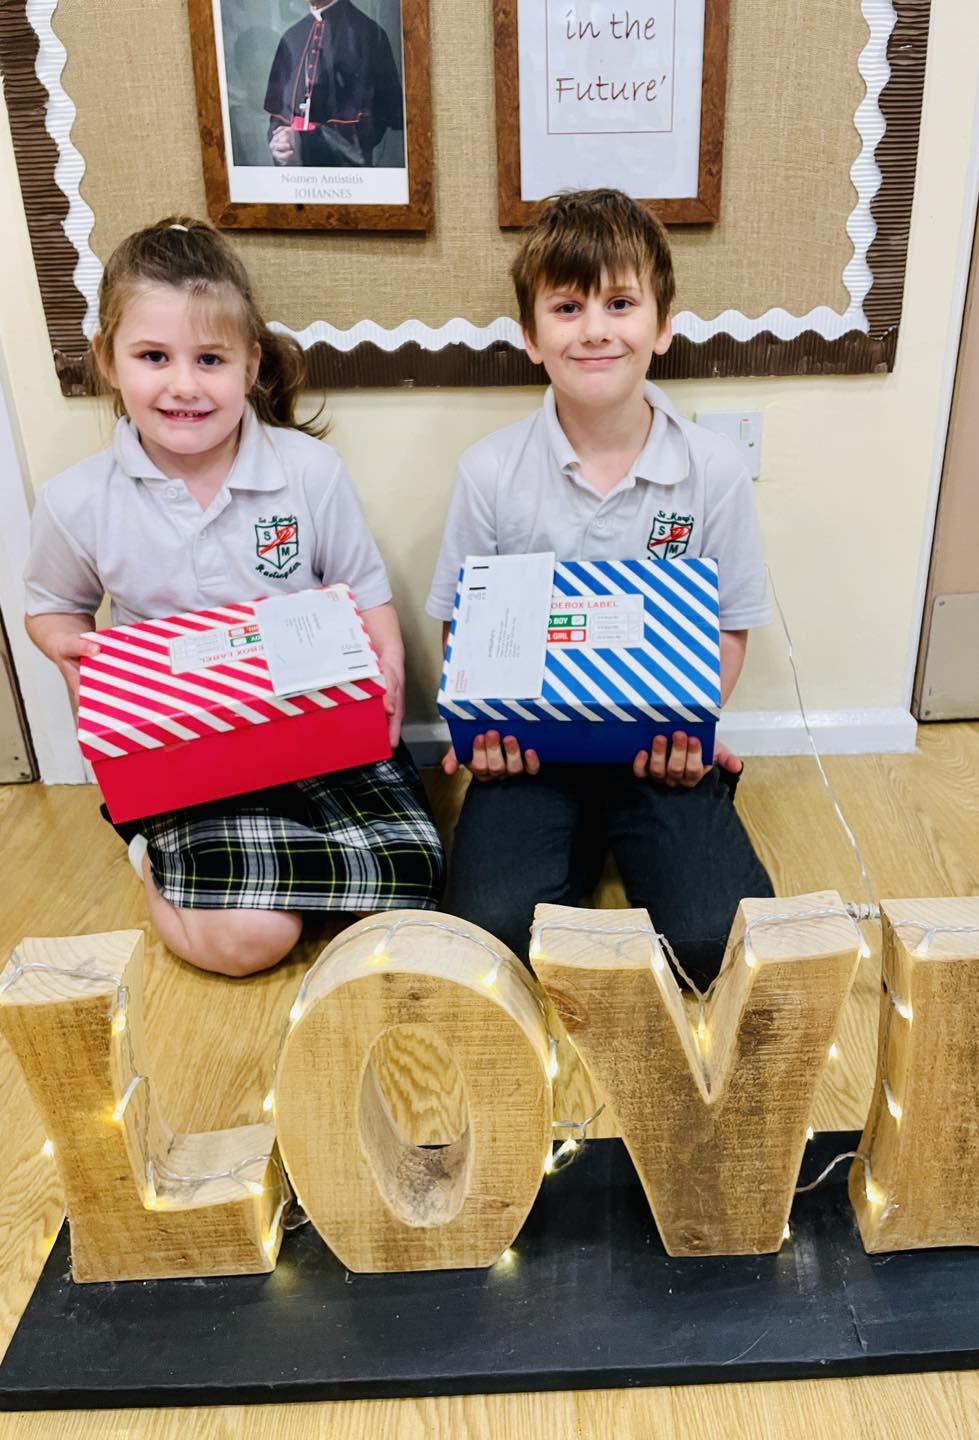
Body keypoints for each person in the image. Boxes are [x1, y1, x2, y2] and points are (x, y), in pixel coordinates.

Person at [25, 217, 443, 978]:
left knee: (411, 889)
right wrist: (68, 651)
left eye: (210, 359)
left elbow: (363, 590)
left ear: (250, 364)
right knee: (252, 940)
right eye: (154, 356)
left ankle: (270, 876)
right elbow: (53, 608)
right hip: (186, 754)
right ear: (109, 360)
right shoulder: (76, 500)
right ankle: (159, 860)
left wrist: (387, 666)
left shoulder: (308, 471)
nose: (184, 385)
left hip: (316, 729)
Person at [426, 188, 773, 991]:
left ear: (662, 325)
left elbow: (729, 628)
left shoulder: (713, 471)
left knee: (715, 944)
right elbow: (462, 629)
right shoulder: (489, 471)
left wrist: (694, 725)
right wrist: (485, 732)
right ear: (530, 336)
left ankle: (634, 822)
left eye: (620, 303)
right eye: (567, 307)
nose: (594, 330)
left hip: (659, 752)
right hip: (532, 757)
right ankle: (578, 831)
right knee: (492, 936)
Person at [264, 0, 403, 168]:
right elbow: (277, 117)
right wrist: (280, 144)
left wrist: (303, 144)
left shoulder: (369, 35)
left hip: (346, 176)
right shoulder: (292, 36)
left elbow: (373, 126)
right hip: (293, 174)